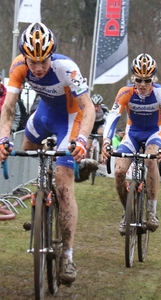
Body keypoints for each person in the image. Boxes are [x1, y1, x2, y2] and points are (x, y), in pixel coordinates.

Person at [0, 22, 97, 284]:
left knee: (64, 188)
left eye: (44, 60)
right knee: (25, 151)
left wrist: (81, 140)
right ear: (25, 57)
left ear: (51, 55)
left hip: (70, 120)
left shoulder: (66, 67)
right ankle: (41, 202)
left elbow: (89, 108)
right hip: (43, 116)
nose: (39, 67)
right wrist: (3, 138)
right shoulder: (19, 66)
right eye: (33, 62)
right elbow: (9, 106)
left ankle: (67, 254)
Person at [102, 53, 161, 235]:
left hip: (154, 134)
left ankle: (151, 211)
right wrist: (106, 141)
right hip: (132, 134)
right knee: (119, 171)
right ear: (133, 78)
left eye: (147, 80)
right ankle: (127, 213)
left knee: (151, 161)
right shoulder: (125, 92)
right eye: (139, 80)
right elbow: (112, 117)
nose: (142, 84)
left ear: (153, 79)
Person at [86, 94, 109, 159]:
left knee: (101, 133)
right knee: (87, 147)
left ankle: (100, 150)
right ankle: (87, 160)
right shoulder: (88, 108)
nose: (96, 108)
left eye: (97, 106)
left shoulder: (104, 108)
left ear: (101, 105)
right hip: (91, 125)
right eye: (94, 106)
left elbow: (109, 118)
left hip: (100, 125)